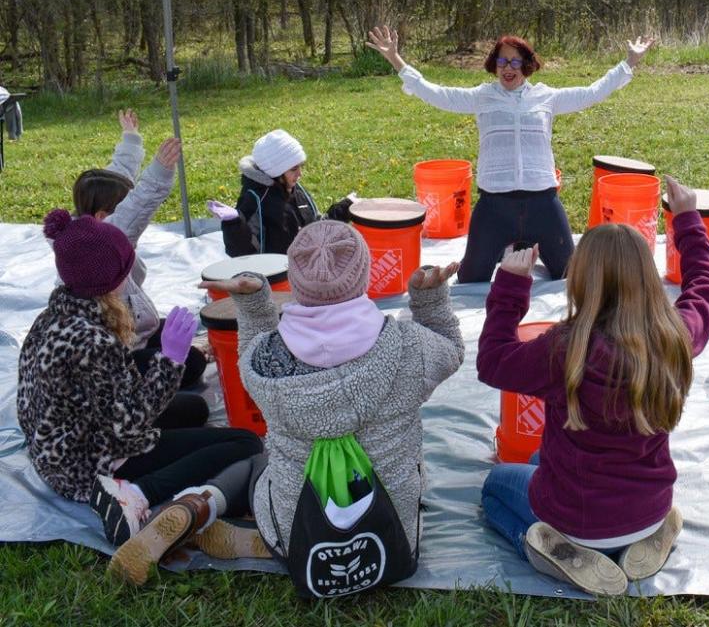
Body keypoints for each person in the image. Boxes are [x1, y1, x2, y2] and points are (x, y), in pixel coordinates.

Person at [109, 220, 466, 585]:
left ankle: (198, 506)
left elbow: (250, 345)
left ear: (295, 281)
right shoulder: (410, 348)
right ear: (364, 276)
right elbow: (451, 348)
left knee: (257, 463)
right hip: (393, 540)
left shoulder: (264, 361)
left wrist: (252, 303)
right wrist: (429, 301)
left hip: (298, 532)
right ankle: (242, 528)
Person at [475, 176, 709, 596]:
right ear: (646, 278)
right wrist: (687, 221)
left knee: (495, 487)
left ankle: (554, 552)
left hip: (577, 518)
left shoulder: (564, 350)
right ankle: (648, 537)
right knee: (538, 456)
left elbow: (492, 362)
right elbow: (707, 288)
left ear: (580, 280)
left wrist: (512, 286)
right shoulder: (674, 335)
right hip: (649, 507)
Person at [17, 210, 263, 567]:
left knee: (194, 409)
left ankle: (146, 485)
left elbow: (110, 396)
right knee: (244, 443)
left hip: (59, 448)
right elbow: (129, 429)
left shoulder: (56, 315)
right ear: (108, 279)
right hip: (87, 464)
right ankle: (133, 494)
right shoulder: (91, 340)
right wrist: (170, 361)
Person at [366, 26, 656, 282]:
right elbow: (434, 92)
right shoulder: (482, 97)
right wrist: (395, 58)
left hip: (543, 203)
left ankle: (524, 249)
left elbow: (593, 91)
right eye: (502, 60)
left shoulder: (547, 97)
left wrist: (630, 61)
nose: (508, 67)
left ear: (526, 65)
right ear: (494, 65)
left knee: (570, 276)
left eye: (515, 61)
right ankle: (509, 249)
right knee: (471, 278)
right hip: (495, 206)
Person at [74, 110, 208, 401]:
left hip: (137, 332)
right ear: (101, 217)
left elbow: (116, 179)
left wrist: (131, 142)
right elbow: (136, 208)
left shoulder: (87, 228)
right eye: (118, 209)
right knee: (193, 365)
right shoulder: (99, 249)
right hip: (120, 358)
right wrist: (159, 171)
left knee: (186, 346)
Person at [222, 129, 350, 257]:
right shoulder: (256, 199)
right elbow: (244, 253)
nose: (300, 174)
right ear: (275, 171)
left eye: (301, 166)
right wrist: (233, 226)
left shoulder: (295, 188)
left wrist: (344, 208)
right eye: (294, 169)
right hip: (278, 272)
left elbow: (315, 229)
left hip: (307, 265)